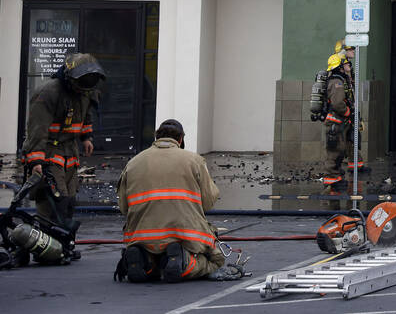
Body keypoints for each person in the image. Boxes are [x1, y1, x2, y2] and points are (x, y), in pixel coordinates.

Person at [115, 119, 244, 282]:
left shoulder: (133, 163)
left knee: (154, 259)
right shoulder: (194, 160)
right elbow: (208, 202)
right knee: (214, 262)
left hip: (142, 236)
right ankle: (185, 261)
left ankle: (146, 262)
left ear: (157, 137)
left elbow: (124, 207)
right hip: (185, 235)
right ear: (181, 140)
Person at [21, 51, 106, 255]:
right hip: (49, 151)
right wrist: (36, 161)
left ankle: (64, 244)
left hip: (70, 152)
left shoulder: (85, 91)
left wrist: (87, 138)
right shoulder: (48, 93)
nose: (83, 87)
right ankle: (47, 247)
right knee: (54, 200)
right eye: (81, 83)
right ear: (69, 77)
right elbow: (36, 130)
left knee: (68, 202)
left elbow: (86, 117)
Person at [320, 44, 358, 191]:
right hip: (335, 121)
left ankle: (336, 176)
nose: (348, 65)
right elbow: (337, 103)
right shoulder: (336, 82)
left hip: (339, 122)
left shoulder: (340, 80)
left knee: (340, 148)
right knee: (334, 150)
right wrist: (348, 111)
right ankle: (331, 179)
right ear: (340, 66)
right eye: (345, 63)